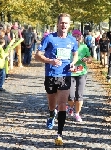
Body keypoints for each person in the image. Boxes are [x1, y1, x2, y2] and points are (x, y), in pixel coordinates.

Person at [35, 13, 78, 145]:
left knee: (62, 105)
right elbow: (37, 55)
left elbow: (75, 54)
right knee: (52, 103)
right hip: (51, 75)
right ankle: (51, 114)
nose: (64, 25)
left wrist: (73, 63)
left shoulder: (72, 40)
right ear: (58, 24)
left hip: (65, 75)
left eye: (66, 23)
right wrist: (50, 61)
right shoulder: (49, 38)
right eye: (62, 22)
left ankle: (59, 134)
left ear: (69, 25)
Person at [67, 30, 92, 122]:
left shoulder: (84, 47)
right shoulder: (68, 47)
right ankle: (70, 107)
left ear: (81, 37)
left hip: (82, 73)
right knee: (70, 95)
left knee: (79, 95)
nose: (76, 37)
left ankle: (77, 114)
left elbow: (90, 59)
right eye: (74, 36)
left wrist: (87, 59)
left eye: (78, 36)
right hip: (70, 73)